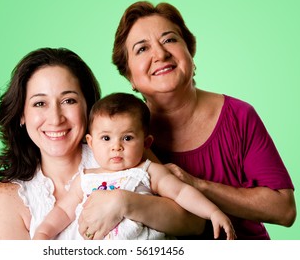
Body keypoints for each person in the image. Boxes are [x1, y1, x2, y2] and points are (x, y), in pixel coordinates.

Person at [94, 0, 295, 239]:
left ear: (190, 52)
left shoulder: (240, 116)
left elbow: (284, 210)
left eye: (169, 39)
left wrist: (197, 184)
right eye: (142, 49)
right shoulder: (115, 137)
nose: (160, 54)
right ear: (130, 77)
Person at [0, 47, 205, 240]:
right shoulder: (7, 199)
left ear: (88, 108)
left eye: (68, 100)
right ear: (21, 114)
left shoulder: (121, 150)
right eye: (39, 103)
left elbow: (196, 223)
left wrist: (124, 203)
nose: (55, 118)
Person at [33, 92, 236, 240]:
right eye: (106, 138)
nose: (116, 147)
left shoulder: (149, 171)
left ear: (146, 143)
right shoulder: (85, 178)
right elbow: (63, 212)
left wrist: (212, 212)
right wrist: (42, 234)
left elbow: (182, 193)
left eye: (127, 138)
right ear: (91, 142)